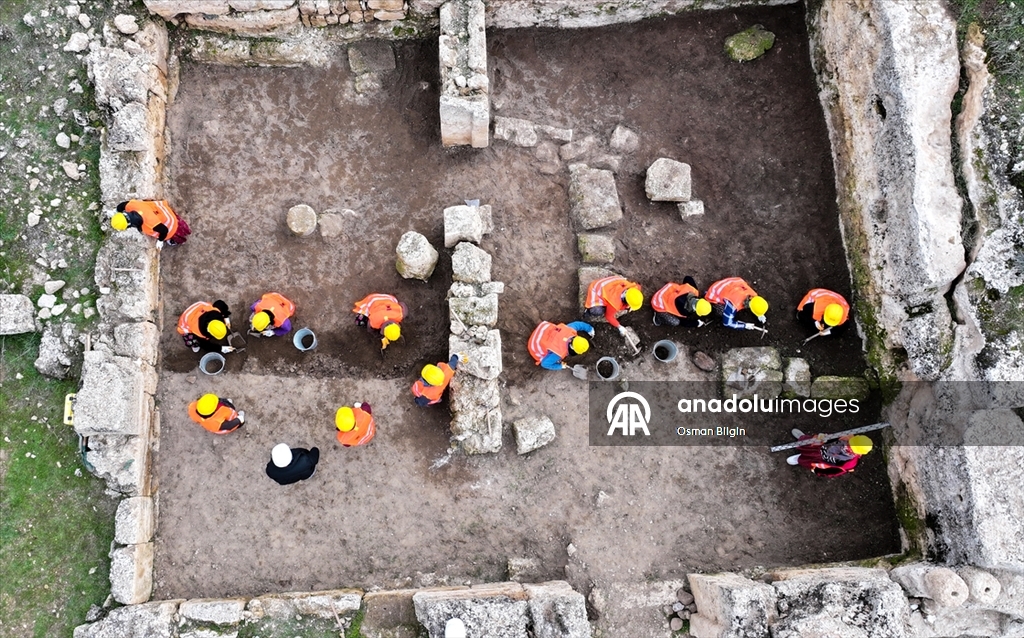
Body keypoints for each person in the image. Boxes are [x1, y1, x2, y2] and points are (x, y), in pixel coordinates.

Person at [787, 430, 873, 477]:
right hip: (819, 446)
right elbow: (832, 437)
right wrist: (824, 437)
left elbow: (834, 471)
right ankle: (802, 438)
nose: (848, 446)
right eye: (850, 443)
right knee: (808, 442)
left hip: (820, 459)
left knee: (807, 460)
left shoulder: (850, 464)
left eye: (851, 448)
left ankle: (799, 458)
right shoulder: (847, 437)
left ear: (858, 453)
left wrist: (818, 471)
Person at [110, 200, 191, 246]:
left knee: (170, 233)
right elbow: (121, 205)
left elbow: (164, 230)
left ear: (129, 224)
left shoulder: (150, 223)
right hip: (160, 210)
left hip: (169, 221)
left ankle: (174, 240)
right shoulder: (131, 205)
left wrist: (160, 241)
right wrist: (116, 211)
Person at [704, 277, 769, 331]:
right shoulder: (734, 304)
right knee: (721, 312)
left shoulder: (753, 294)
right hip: (714, 292)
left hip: (731, 284)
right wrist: (744, 326)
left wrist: (760, 314)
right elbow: (727, 323)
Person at [528, 320, 594, 370]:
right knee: (546, 357)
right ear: (572, 348)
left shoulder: (570, 329)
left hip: (544, 328)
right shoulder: (558, 353)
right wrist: (560, 366)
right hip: (534, 343)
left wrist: (590, 329)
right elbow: (545, 364)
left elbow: (579, 324)